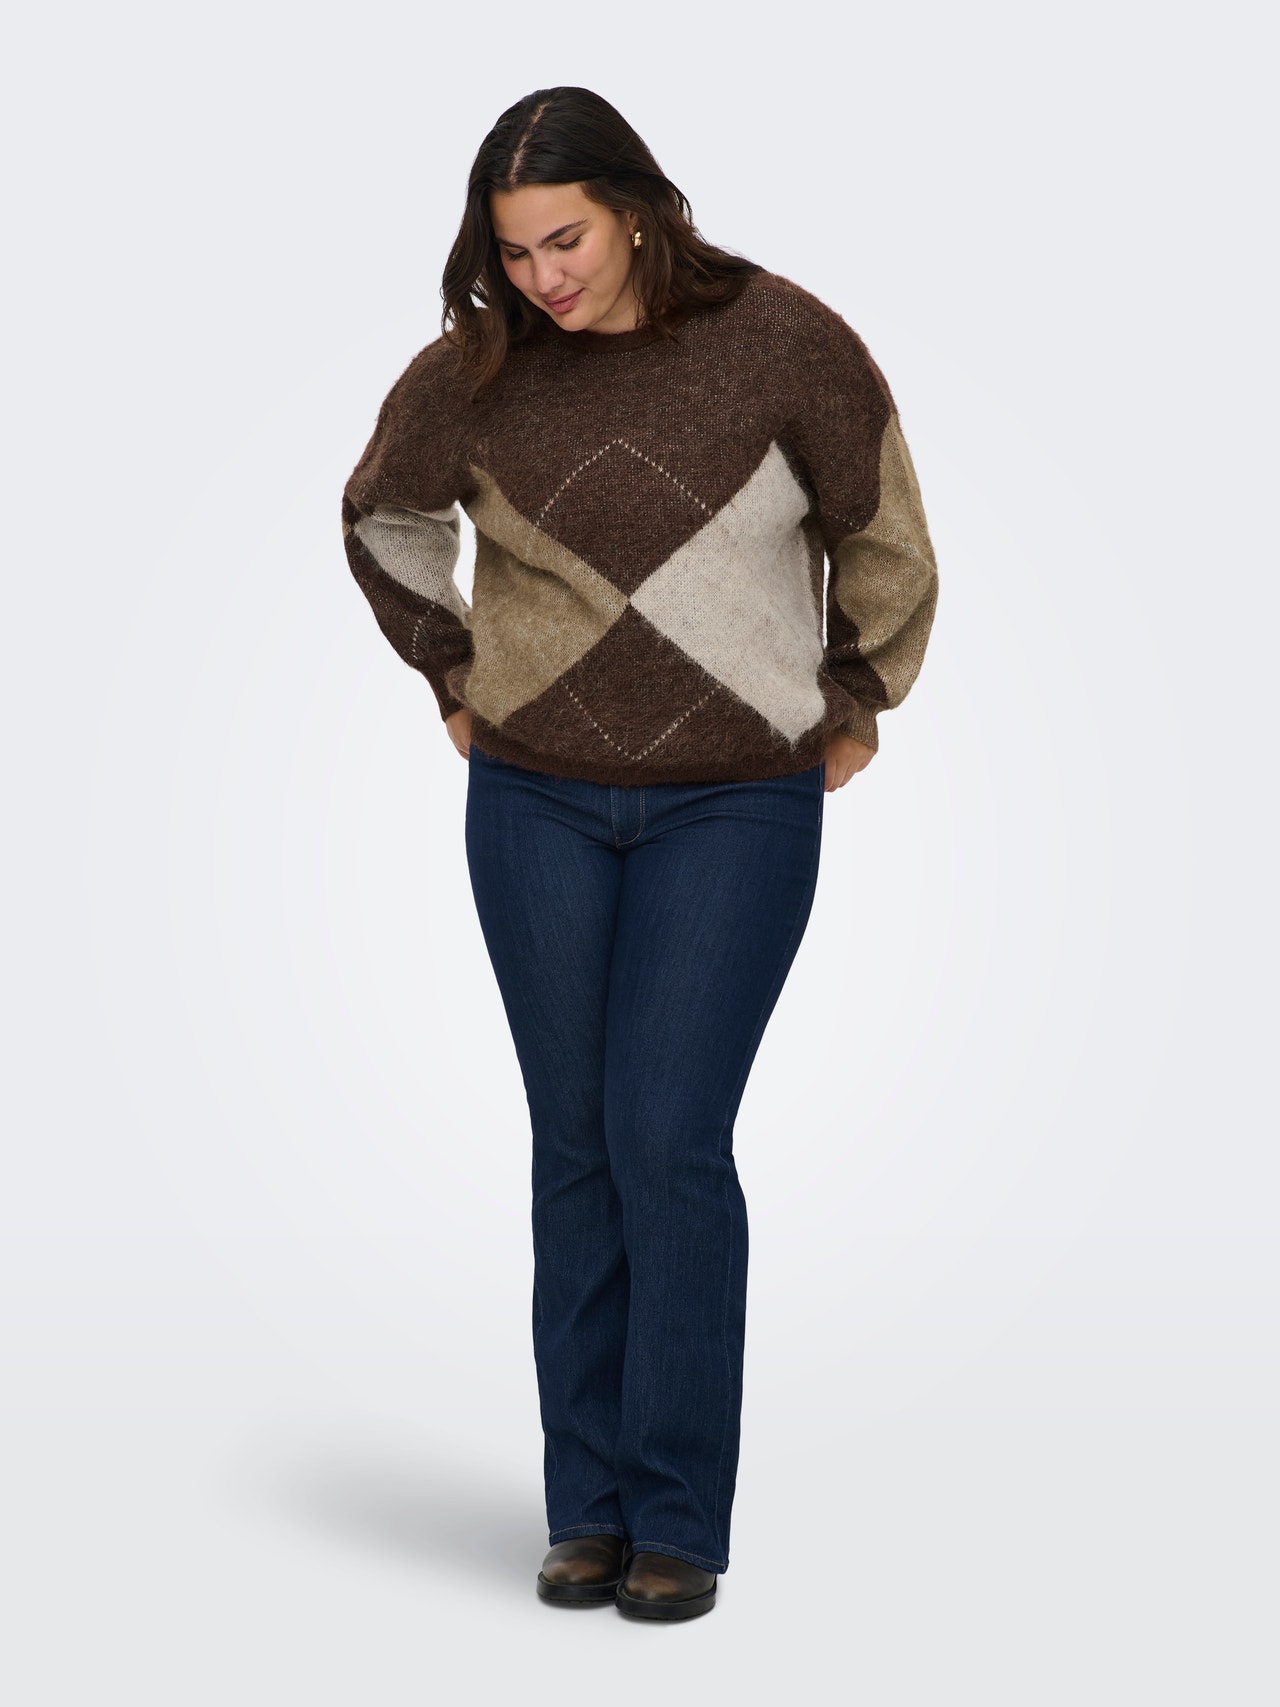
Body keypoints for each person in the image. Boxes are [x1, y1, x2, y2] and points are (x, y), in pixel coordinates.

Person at [341, 85, 939, 1622]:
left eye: (567, 238)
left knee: (666, 1136)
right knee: (576, 1145)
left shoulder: (782, 341)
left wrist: (855, 699)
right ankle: (585, 1509)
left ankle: (676, 1518)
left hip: (737, 802)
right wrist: (455, 673)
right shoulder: (475, 372)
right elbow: (383, 520)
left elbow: (884, 532)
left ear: (637, 208)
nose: (542, 275)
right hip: (533, 800)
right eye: (513, 250)